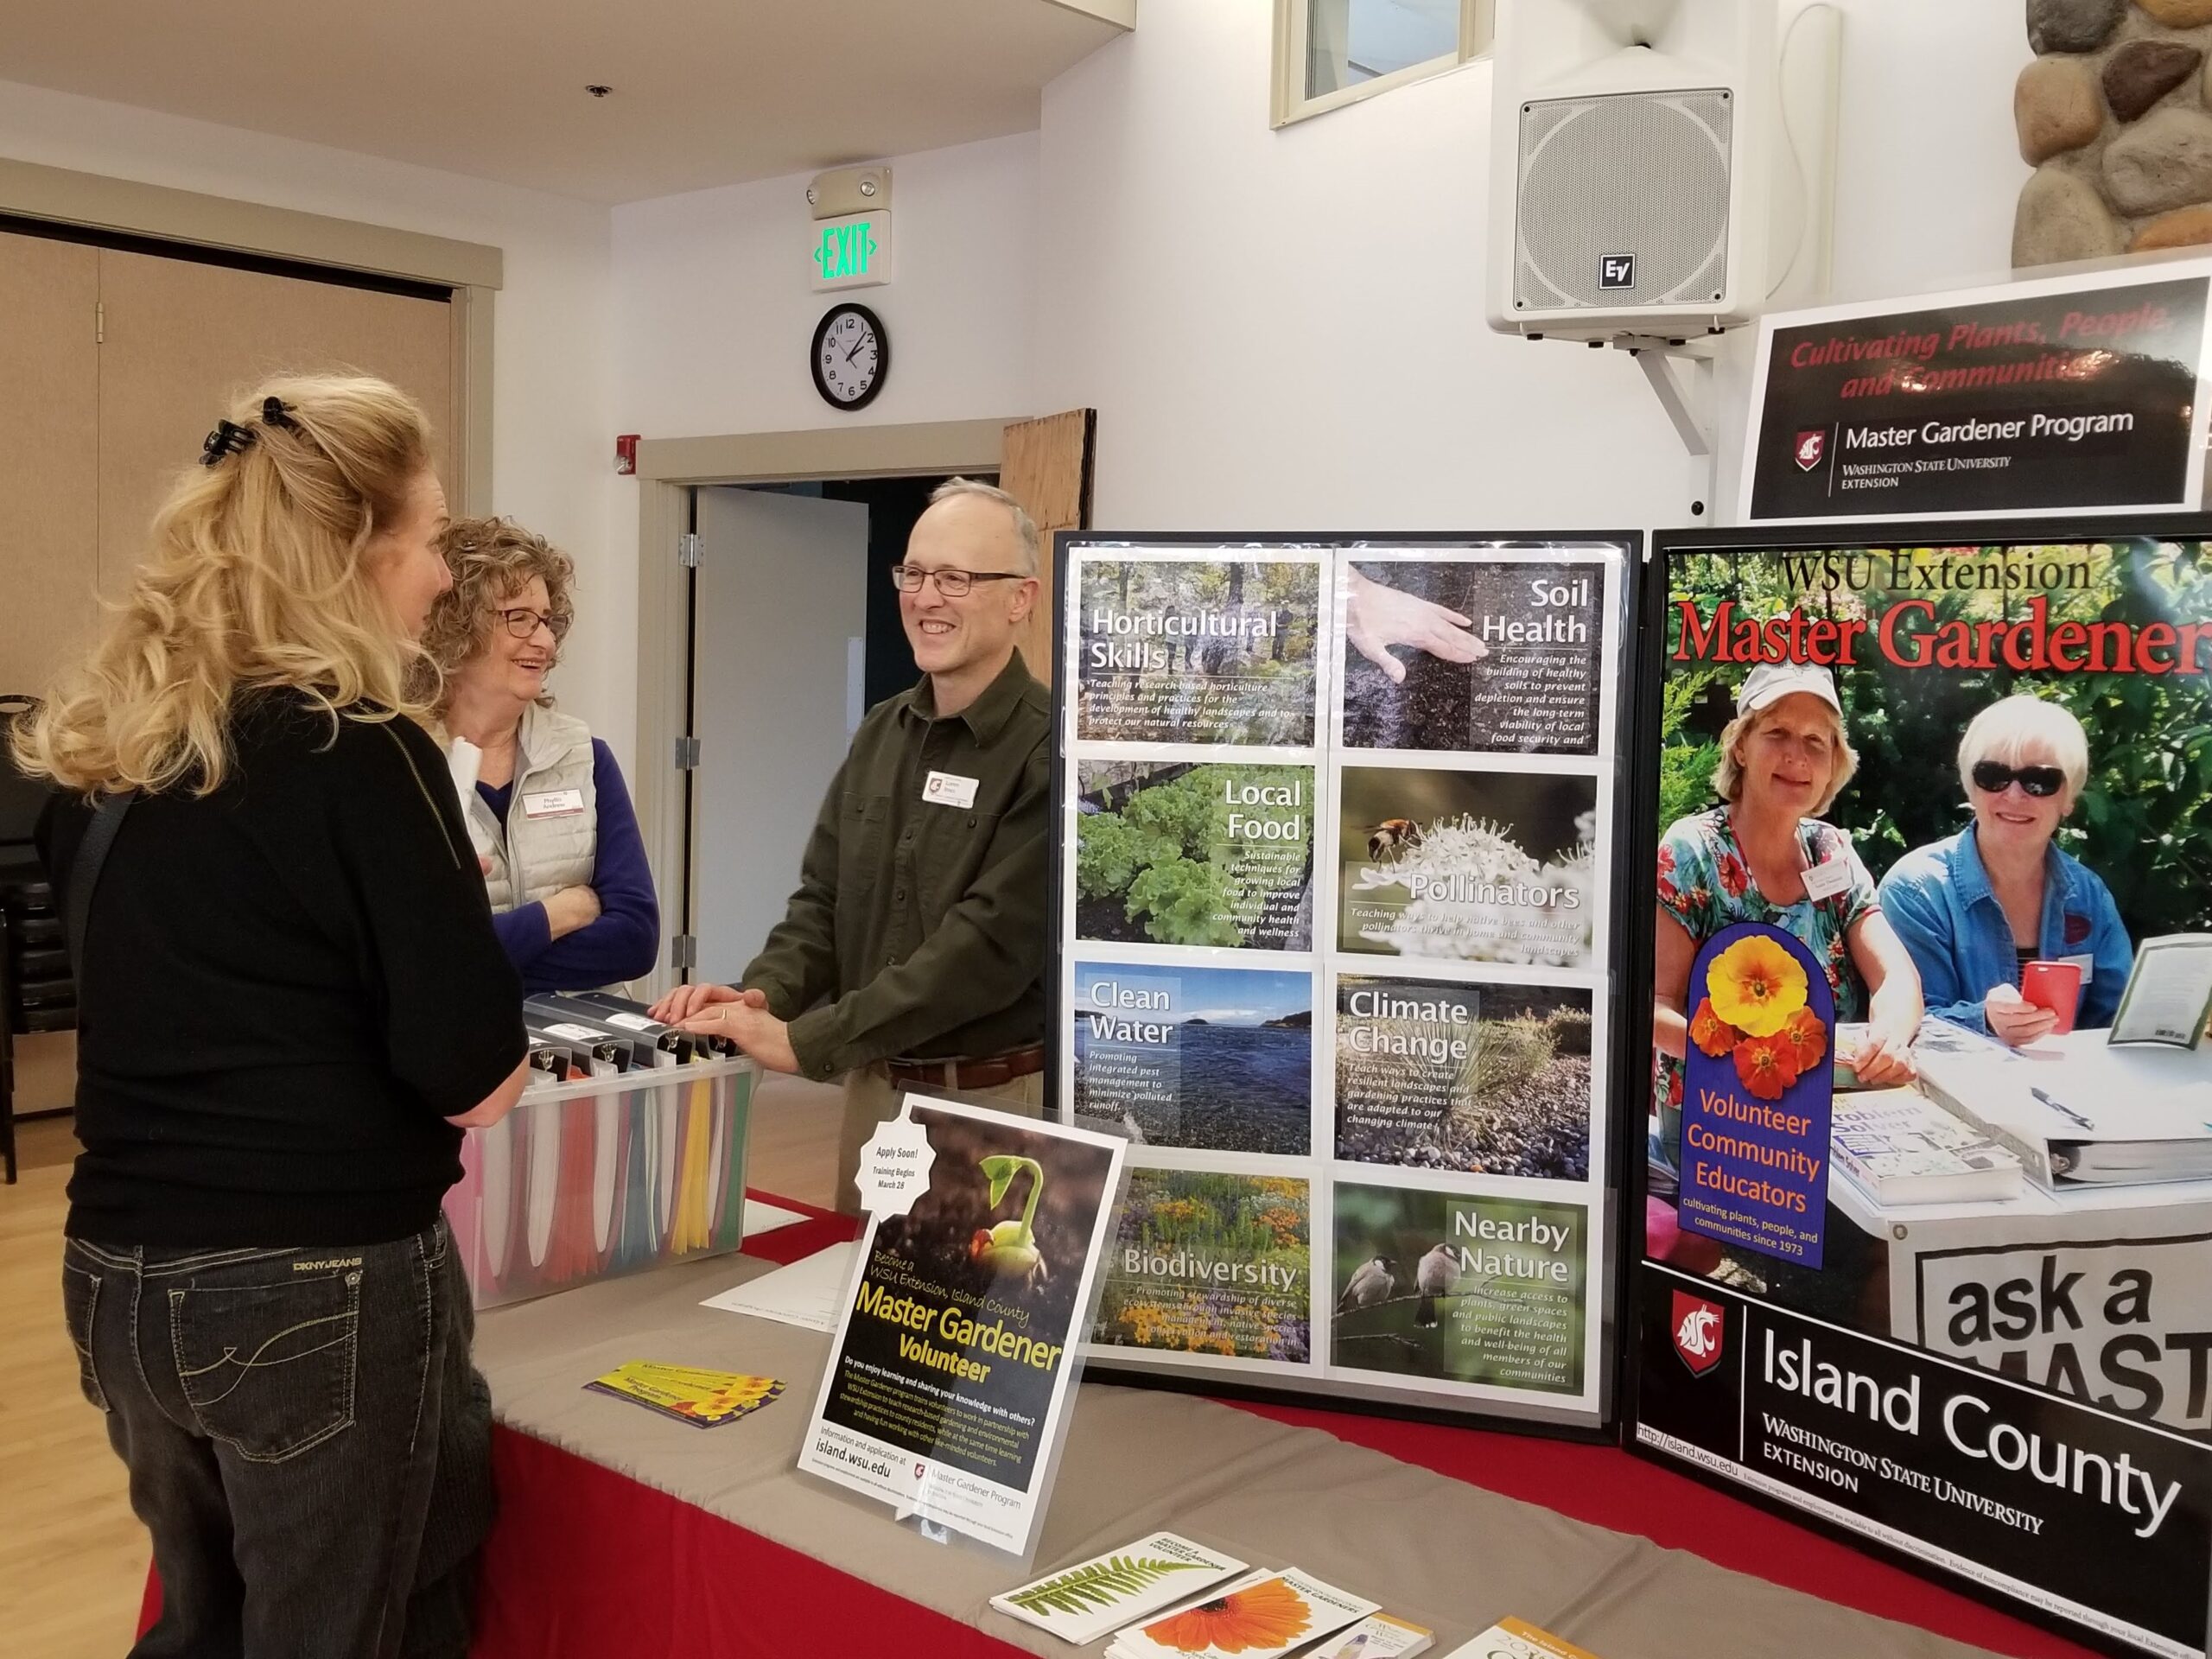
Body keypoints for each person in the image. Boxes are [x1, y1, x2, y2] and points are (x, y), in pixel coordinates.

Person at [15, 376, 530, 1659]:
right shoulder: (367, 753)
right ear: (358, 550)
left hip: (117, 1277)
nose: (438, 581)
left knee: (205, 1624)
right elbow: (477, 1077)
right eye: (431, 542)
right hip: (316, 1283)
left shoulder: (116, 753)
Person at [651, 478, 1050, 1213]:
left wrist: (811, 1040)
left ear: (1020, 598)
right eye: (915, 573)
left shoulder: (1051, 752)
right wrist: (762, 995)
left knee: (972, 1323)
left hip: (989, 1114)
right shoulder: (882, 730)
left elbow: (984, 954)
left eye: (956, 578)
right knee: (851, 1310)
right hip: (875, 1101)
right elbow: (823, 901)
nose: (927, 598)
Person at [1649, 663, 1923, 1193]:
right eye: (1777, 733)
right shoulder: (1693, 851)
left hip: (1832, 1106)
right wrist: (1760, 1054)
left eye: (1815, 742)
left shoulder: (1831, 851)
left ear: (1832, 766)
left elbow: (1896, 977)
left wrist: (1888, 1039)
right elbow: (1654, 1007)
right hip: (1720, 1121)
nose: (1797, 756)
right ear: (1742, 747)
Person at [421, 517, 658, 994]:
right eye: (519, 618)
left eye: (546, 620)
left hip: (586, 1053)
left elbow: (635, 939)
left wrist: (481, 960)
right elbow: (412, 955)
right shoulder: (402, 763)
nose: (546, 642)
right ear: (455, 625)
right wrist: (557, 915)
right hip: (457, 1052)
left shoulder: (586, 758)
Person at [1878, 695, 2132, 1046]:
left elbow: (2117, 1021)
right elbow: (1904, 1026)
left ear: (2069, 799)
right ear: (1970, 786)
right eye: (1993, 776)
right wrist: (1983, 1019)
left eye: (2039, 781)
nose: (2014, 795)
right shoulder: (1915, 890)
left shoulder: (2090, 896)